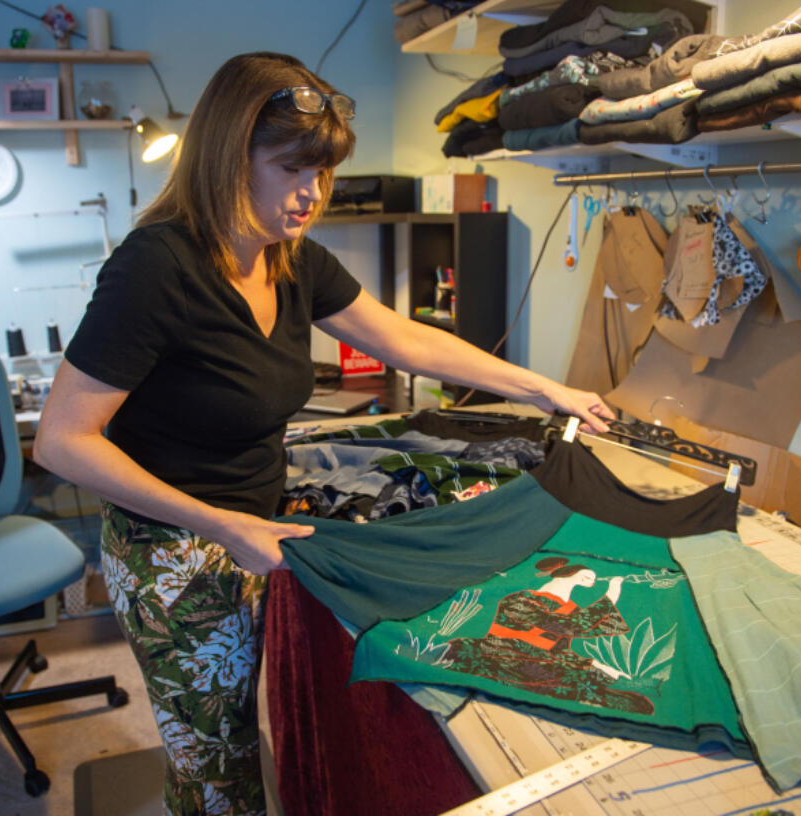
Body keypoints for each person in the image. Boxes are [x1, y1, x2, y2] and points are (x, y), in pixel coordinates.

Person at [33, 51, 615, 816]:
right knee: (214, 774)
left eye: (324, 173)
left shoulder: (291, 260)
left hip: (258, 529)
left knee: (260, 731)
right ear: (227, 157)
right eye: (291, 169)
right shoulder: (157, 268)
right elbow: (62, 442)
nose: (312, 195)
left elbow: (405, 339)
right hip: (174, 553)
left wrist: (544, 387)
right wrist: (221, 523)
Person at [441, 557, 654, 715]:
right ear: (569, 574)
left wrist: (594, 664)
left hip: (544, 661)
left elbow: (560, 649)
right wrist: (611, 594)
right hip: (501, 653)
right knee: (572, 682)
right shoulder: (522, 598)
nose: (591, 580)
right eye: (586, 576)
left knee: (622, 686)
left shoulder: (571, 608)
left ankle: (631, 689)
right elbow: (568, 626)